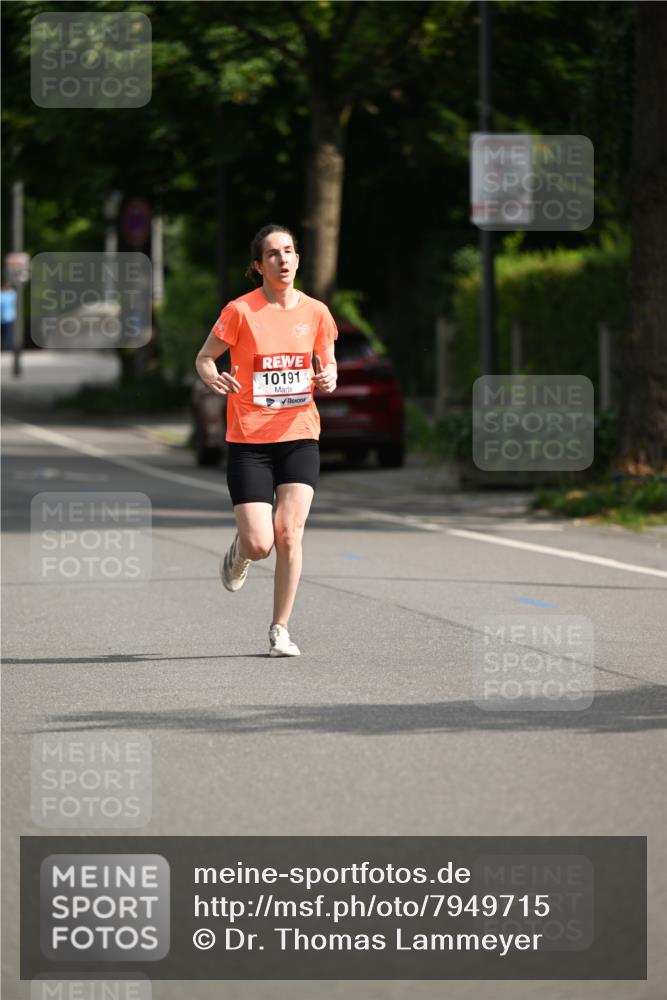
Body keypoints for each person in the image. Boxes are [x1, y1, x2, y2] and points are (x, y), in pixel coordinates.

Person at [195, 224, 338, 657]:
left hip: (299, 436)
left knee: (290, 534)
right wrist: (213, 377)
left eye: (290, 251)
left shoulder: (316, 311)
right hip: (250, 441)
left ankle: (280, 629)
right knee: (262, 542)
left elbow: (327, 362)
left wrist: (330, 375)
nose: (284, 259)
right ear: (258, 265)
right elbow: (204, 358)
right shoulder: (240, 311)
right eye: (273, 254)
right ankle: (241, 549)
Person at [1, 282, 17, 352]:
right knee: (4, 334)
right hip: (2, 318)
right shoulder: (1, 293)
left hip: (10, 317)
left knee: (9, 334)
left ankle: (8, 348)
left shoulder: (13, 294)